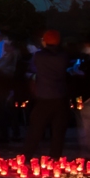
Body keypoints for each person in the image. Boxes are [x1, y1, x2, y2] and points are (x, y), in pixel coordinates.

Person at [23, 30, 71, 158]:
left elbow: (32, 70)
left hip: (44, 96)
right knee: (58, 131)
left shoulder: (39, 56)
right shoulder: (64, 56)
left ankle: (28, 155)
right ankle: (55, 158)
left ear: (44, 41)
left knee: (36, 129)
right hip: (61, 96)